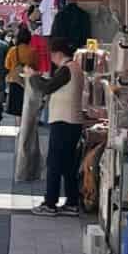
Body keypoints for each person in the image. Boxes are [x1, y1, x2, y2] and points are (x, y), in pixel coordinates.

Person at [24, 40, 85, 217]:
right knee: (67, 165)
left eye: (52, 54)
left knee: (54, 163)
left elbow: (47, 87)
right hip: (70, 121)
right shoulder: (73, 68)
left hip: (64, 122)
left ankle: (50, 203)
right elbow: (53, 84)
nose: (51, 58)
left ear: (58, 54)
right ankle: (72, 203)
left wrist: (32, 77)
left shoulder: (68, 69)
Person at [4, 25, 37, 117]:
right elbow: (35, 66)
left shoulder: (13, 50)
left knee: (16, 109)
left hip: (15, 80)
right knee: (26, 106)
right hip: (27, 81)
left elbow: (7, 65)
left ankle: (19, 128)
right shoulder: (33, 51)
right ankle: (25, 126)